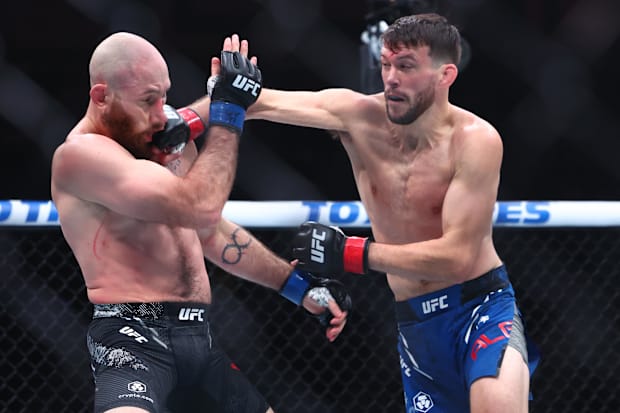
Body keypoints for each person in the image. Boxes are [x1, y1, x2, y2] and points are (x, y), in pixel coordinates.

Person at [241, 13, 539, 413]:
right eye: (386, 65)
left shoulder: (475, 140)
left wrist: (348, 252)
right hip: (417, 326)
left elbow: (457, 257)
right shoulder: (358, 116)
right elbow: (257, 101)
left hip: (480, 309)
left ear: (445, 74)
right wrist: (188, 115)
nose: (391, 77)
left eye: (406, 66)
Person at [50, 32, 351, 413]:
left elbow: (211, 232)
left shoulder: (165, 144)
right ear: (102, 97)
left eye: (163, 96)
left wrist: (297, 287)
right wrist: (225, 112)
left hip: (199, 338)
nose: (161, 113)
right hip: (131, 340)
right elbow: (200, 207)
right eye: (147, 101)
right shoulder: (79, 156)